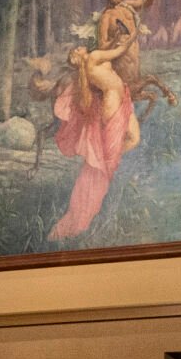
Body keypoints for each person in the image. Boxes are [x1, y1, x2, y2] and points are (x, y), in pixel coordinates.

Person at [48, 36, 140, 240]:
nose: (80, 47)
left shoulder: (88, 67)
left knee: (133, 139)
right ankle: (104, 165)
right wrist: (134, 33)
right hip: (115, 100)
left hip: (117, 98)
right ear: (79, 56)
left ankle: (106, 161)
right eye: (77, 49)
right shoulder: (93, 57)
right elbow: (119, 51)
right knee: (130, 141)